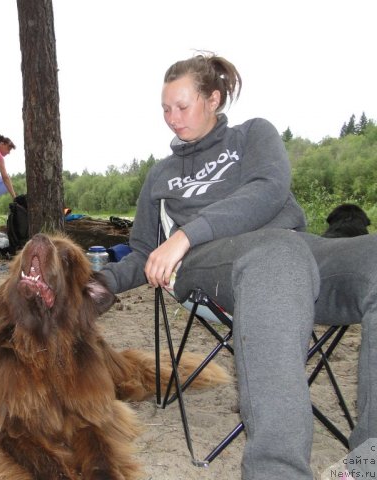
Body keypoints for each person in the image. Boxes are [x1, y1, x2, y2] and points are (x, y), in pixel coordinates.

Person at [100, 52, 377, 479]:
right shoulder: (161, 175)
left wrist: (186, 233)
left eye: (182, 106)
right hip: (209, 268)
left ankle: (369, 461)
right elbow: (142, 252)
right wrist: (97, 284)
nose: (172, 118)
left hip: (297, 247)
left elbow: (269, 190)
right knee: (275, 258)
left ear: (213, 100)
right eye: (165, 109)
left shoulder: (253, 135)